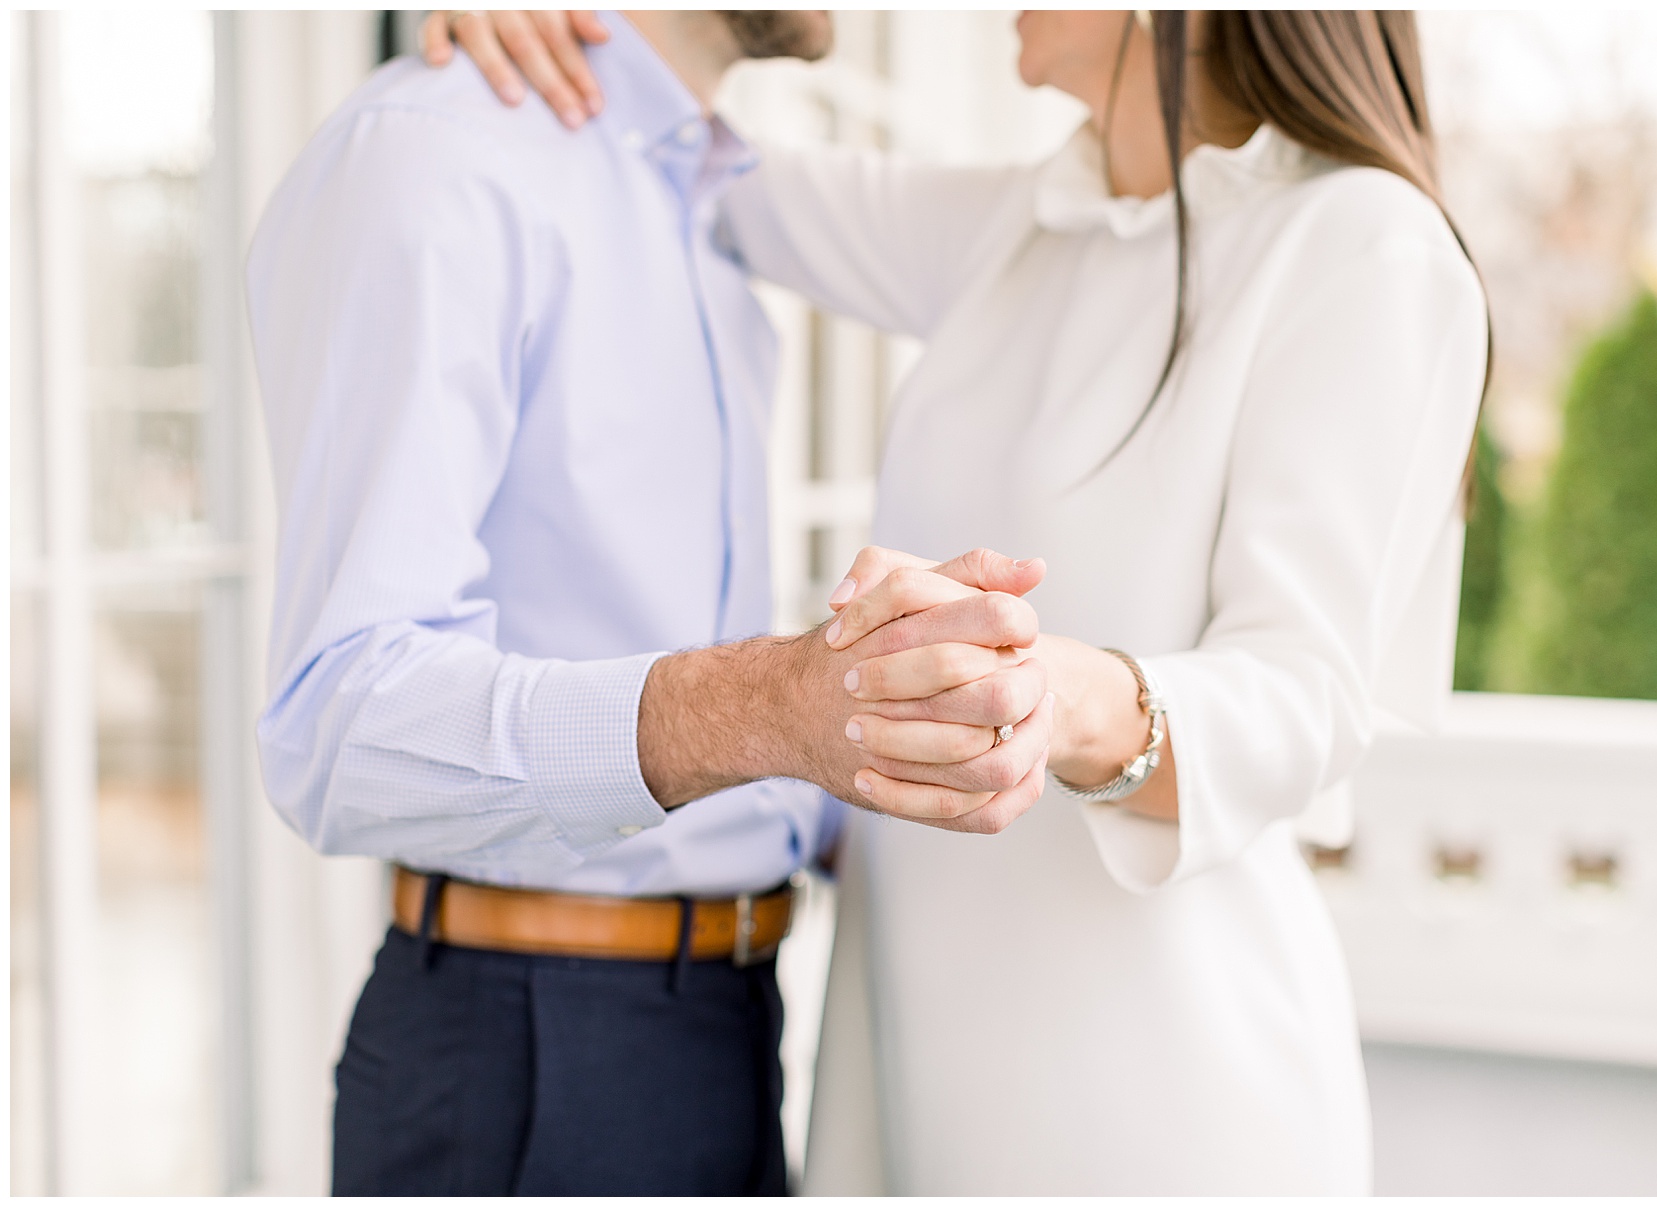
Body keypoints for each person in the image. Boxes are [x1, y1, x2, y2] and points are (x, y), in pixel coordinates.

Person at [439, 7, 1491, 1195]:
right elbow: (720, 180)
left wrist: (1049, 697)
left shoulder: (1362, 242)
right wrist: (545, 27)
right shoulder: (1033, 222)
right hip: (926, 1059)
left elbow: (1309, 693)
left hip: (1163, 1090)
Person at [245, 10, 1062, 1196]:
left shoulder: (705, 192)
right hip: (533, 1058)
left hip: (729, 1027)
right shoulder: (435, 154)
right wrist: (769, 708)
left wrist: (905, 730)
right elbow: (336, 722)